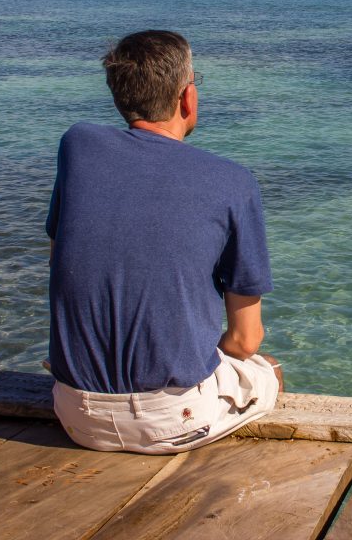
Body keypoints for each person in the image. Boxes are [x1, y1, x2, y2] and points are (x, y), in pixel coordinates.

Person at [46, 29, 283, 454]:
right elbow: (246, 340)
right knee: (266, 372)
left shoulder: (77, 145)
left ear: (119, 96)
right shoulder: (234, 181)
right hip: (171, 422)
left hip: (74, 412)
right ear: (187, 98)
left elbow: (60, 257)